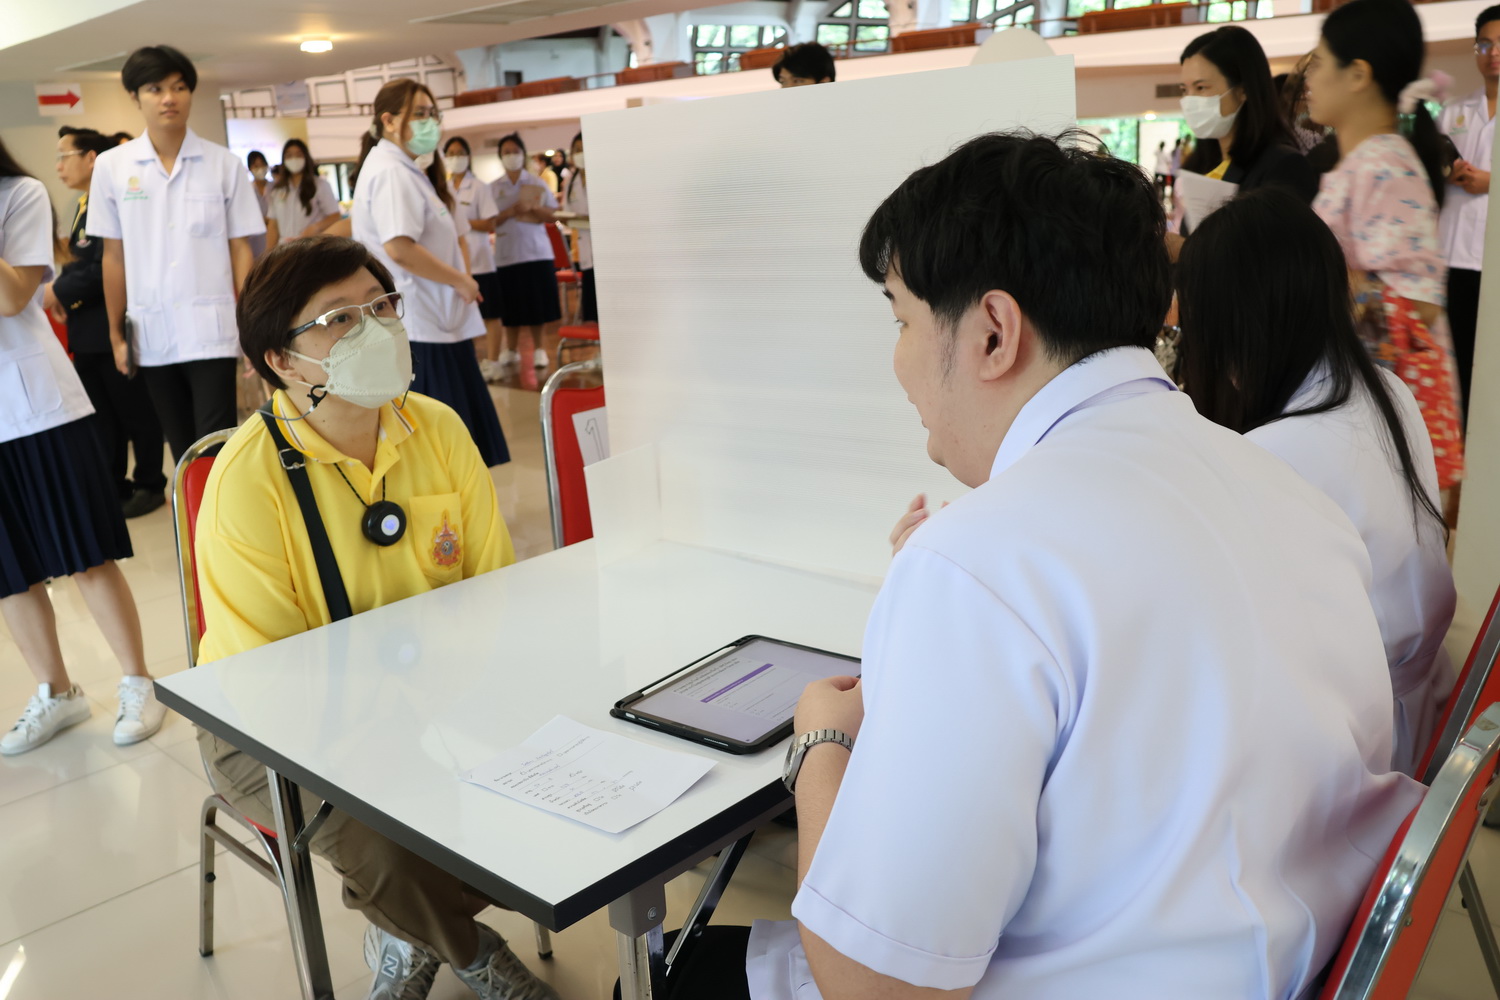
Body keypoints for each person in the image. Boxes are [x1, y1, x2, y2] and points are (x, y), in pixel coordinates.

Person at [634, 131, 1421, 1000]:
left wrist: (823, 740)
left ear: (993, 333)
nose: (897, 362)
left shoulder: (977, 564)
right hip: (1285, 963)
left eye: (901, 320)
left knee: (673, 974)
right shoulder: (1286, 488)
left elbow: (872, 983)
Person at [192, 236, 555, 1000]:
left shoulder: (438, 429)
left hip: (428, 696)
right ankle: (473, 952)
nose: (376, 328)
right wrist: (405, 748)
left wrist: (448, 717)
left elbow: (497, 596)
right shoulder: (246, 482)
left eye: (381, 305)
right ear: (281, 361)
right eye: (339, 318)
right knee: (391, 843)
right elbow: (271, 686)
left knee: (547, 790)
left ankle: (405, 933)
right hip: (276, 732)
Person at [1176, 187, 1455, 776]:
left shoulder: (1277, 454)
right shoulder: (1386, 389)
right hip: (1425, 706)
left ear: (1235, 326)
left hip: (1357, 749)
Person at [0, 137, 166, 755]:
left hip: (39, 408)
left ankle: (139, 681)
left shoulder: (20, 194)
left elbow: (11, 296)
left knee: (86, 553)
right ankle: (57, 691)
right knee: (11, 573)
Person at [1306, 0, 1465, 498]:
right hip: (1365, 404)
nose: (1308, 76)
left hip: (1384, 416)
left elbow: (1417, 304)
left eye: (1318, 62)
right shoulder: (1365, 162)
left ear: (1358, 74)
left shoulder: (1386, 164)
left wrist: (1308, 285)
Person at [87, 45, 266, 461]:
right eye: (155, 89)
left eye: (179, 87)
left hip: (212, 330)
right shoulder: (113, 167)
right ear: (135, 97)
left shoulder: (223, 164)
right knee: (182, 446)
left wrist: (251, 324)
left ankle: (221, 507)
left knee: (217, 443)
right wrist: (115, 334)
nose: (169, 98)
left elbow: (241, 249)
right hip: (151, 330)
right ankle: (190, 507)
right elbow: (113, 257)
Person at [351, 79, 509, 467]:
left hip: (435, 320)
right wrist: (461, 280)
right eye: (418, 114)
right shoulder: (391, 172)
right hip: (421, 325)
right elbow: (399, 248)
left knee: (456, 448)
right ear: (389, 121)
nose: (429, 122)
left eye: (432, 114)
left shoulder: (406, 169)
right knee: (442, 452)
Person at [45, 125, 167, 519]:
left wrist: (58, 290)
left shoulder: (112, 202)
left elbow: (106, 267)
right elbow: (82, 263)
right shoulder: (84, 205)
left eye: (64, 156)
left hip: (111, 325)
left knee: (135, 411)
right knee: (103, 416)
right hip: (86, 330)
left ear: (90, 158)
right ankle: (113, 484)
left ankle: (150, 482)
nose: (59, 166)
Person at [1438, 4, 1497, 425]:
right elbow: (1432, 169)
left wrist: (1492, 182)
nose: (1494, 53)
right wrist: (1449, 172)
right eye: (1486, 44)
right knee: (1456, 358)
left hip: (1493, 259)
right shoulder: (1453, 110)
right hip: (1453, 254)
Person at [1178, 25, 1318, 203]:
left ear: (1243, 90)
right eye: (1184, 90)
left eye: (1201, 88)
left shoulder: (1283, 166)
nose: (1190, 100)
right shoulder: (1200, 166)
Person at [489, 133, 560, 383]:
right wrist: (510, 211)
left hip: (535, 252)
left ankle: (540, 349)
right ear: (500, 157)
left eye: (515, 151)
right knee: (510, 305)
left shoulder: (536, 183)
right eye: (506, 152)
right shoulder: (493, 188)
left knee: (536, 303)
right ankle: (511, 349)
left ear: (523, 154)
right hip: (507, 255)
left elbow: (553, 215)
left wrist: (535, 209)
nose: (512, 156)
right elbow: (487, 221)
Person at [442, 135, 505, 381]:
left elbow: (490, 223)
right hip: (454, 264)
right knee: (462, 314)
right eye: (451, 154)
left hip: (480, 261)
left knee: (490, 314)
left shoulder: (479, 187)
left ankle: (494, 361)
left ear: (468, 157)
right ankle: (471, 363)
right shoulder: (442, 187)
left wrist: (461, 223)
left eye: (460, 153)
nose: (455, 158)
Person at [264, 138, 342, 248]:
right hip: (285, 248)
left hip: (312, 246)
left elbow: (335, 216)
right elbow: (273, 224)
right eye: (289, 155)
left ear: (306, 157)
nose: (294, 159)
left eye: (298, 155)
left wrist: (316, 228)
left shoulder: (320, 185)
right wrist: (268, 252)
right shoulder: (278, 190)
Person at [562, 131, 597, 323]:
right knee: (591, 310)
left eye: (583, 149)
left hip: (605, 248)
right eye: (576, 150)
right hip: (584, 250)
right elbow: (567, 213)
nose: (580, 153)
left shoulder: (602, 175)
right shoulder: (571, 182)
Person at [246, 149, 270, 260]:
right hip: (255, 241)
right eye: (256, 166)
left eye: (262, 165)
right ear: (250, 168)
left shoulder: (276, 188)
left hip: (275, 238)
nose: (260, 168)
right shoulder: (247, 190)